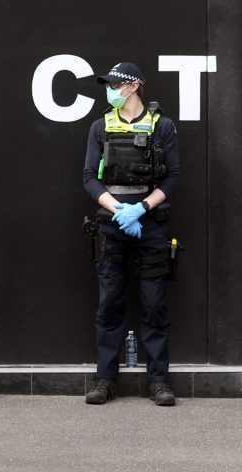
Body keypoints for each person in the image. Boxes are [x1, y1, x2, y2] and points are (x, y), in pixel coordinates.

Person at [81, 62, 181, 407]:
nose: (110, 90)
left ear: (134, 86)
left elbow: (172, 179)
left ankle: (158, 381)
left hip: (150, 225)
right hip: (111, 224)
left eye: (116, 84)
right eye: (108, 85)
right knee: (110, 303)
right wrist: (118, 210)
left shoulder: (162, 126)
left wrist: (142, 208)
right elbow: (89, 178)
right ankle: (105, 379)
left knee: (153, 304)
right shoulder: (99, 126)